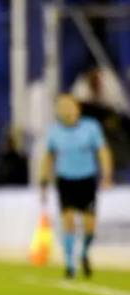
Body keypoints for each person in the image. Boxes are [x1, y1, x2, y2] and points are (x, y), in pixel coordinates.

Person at [40, 94, 113, 279]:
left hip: (86, 179)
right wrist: (43, 181)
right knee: (69, 221)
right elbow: (48, 157)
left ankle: (84, 253)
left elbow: (103, 151)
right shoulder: (54, 131)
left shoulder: (91, 127)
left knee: (90, 227)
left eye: (69, 106)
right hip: (65, 180)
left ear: (77, 108)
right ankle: (69, 264)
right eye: (61, 106)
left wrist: (106, 174)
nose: (65, 110)